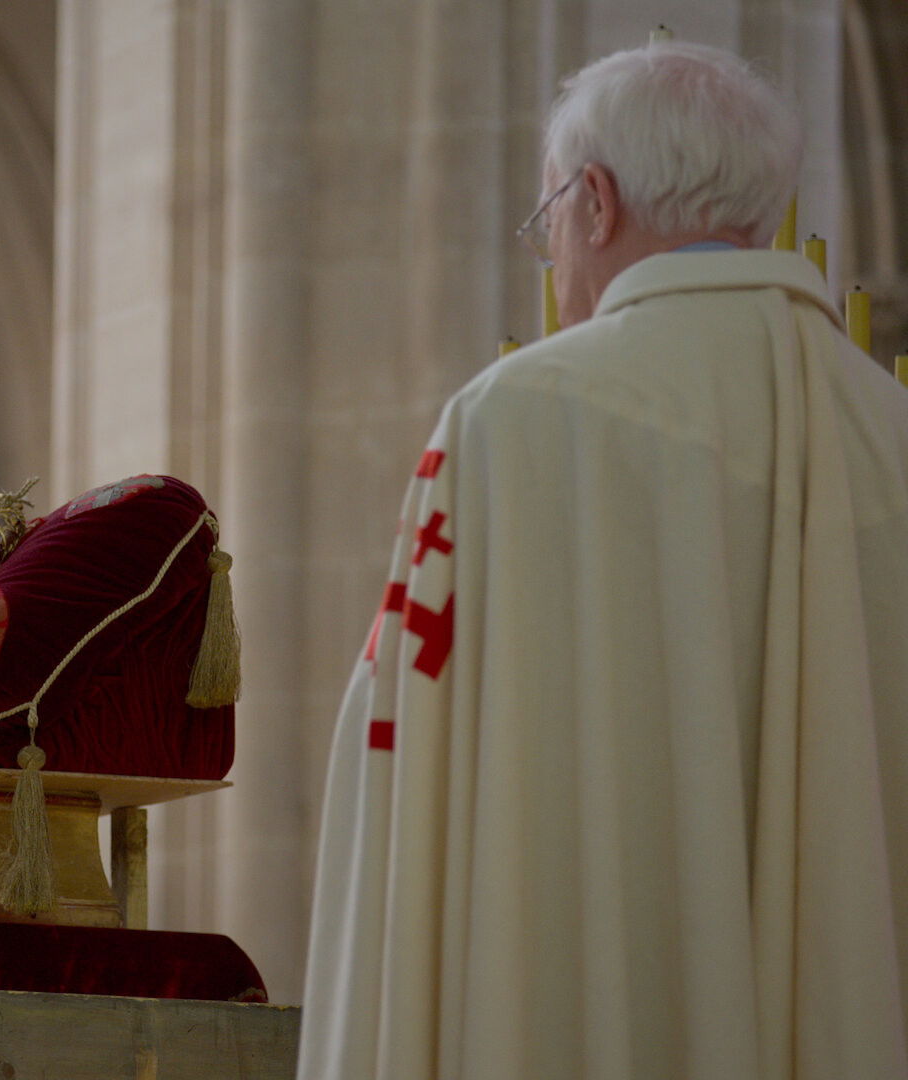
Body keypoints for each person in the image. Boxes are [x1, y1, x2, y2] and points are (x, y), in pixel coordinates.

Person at [301, 41, 908, 1080]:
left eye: (547, 227)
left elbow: (401, 746)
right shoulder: (889, 430)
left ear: (594, 202)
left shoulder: (513, 419)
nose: (556, 268)